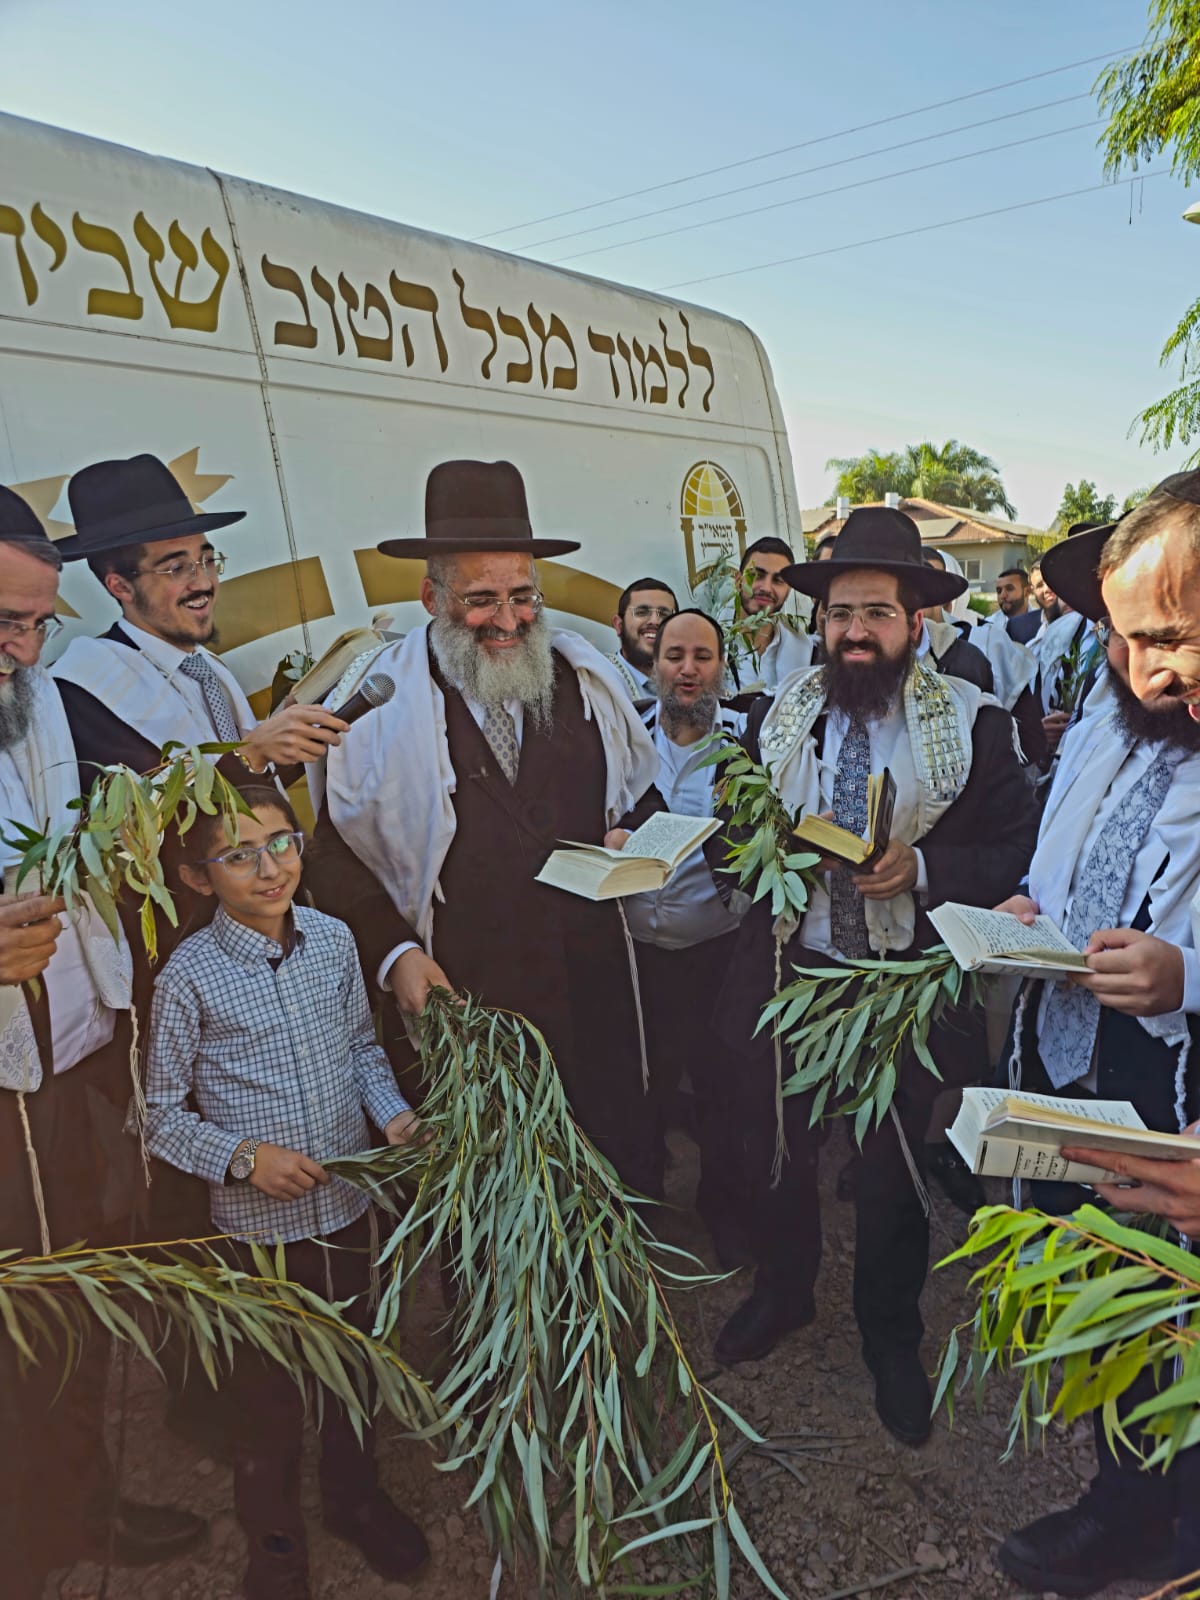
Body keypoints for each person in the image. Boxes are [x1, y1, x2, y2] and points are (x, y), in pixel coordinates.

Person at [710, 507, 1038, 1448]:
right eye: (841, 613)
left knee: (892, 1180)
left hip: (906, 987)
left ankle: (892, 1339)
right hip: (796, 969)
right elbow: (734, 847)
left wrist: (923, 872)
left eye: (877, 614)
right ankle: (784, 1293)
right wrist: (764, 846)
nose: (856, 632)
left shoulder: (970, 724)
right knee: (779, 1152)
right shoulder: (781, 717)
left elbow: (1017, 850)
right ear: (821, 621)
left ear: (915, 622)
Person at [305, 459, 662, 1192]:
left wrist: (631, 838)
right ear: (429, 595)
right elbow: (333, 855)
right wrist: (395, 953)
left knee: (603, 1191)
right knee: (489, 1208)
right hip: (465, 1004)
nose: (508, 620)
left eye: (523, 595)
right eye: (481, 599)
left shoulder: (586, 682)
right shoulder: (378, 703)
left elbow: (641, 796)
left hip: (589, 991)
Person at [143, 787, 428, 1600]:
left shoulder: (336, 943)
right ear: (198, 878)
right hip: (255, 1236)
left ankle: (354, 1498)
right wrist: (243, 1158)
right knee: (263, 1401)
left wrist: (397, 1120)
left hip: (344, 1212)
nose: (271, 868)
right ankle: (274, 1546)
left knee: (354, 1368)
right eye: (239, 855)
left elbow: (364, 1054)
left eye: (281, 842)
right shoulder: (189, 978)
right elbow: (157, 1115)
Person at [0, 485, 205, 1598]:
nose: (25, 649)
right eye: (3, 621)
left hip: (66, 1062)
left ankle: (75, 1507)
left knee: (70, 1304)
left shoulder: (32, 699)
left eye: (39, 621)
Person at [992, 520, 1200, 1594]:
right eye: (1122, 639)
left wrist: (1187, 975)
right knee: (1107, 1285)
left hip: (1169, 1066)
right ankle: (1123, 1504)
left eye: (1168, 638)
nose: (1140, 669)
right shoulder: (1101, 730)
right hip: (1071, 1045)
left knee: (1179, 1309)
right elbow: (1060, 855)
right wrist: (1033, 906)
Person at [51, 452, 347, 782]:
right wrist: (251, 752)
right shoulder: (85, 688)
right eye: (177, 568)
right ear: (121, 586)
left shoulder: (208, 668)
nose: (204, 583)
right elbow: (135, 818)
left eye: (207, 561)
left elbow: (255, 790)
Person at [619, 609, 748, 1261]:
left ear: (721, 667)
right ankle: (641, 1210)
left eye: (702, 656)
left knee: (723, 1091)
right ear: (653, 663)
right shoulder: (623, 740)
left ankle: (724, 1211)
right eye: (675, 655)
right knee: (643, 1089)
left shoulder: (749, 746)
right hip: (637, 956)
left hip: (718, 952)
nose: (688, 670)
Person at [732, 535, 814, 692]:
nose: (766, 588)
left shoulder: (804, 648)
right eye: (756, 575)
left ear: (788, 590)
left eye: (778, 580)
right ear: (738, 580)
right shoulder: (712, 643)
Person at [608, 576, 677, 699]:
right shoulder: (599, 681)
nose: (655, 621)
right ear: (619, 625)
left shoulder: (692, 684)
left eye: (664, 614)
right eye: (642, 612)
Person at [991, 565, 1041, 643]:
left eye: (1009, 588)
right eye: (999, 591)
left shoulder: (1042, 622)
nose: (1002, 595)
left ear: (1027, 591)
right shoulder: (989, 626)